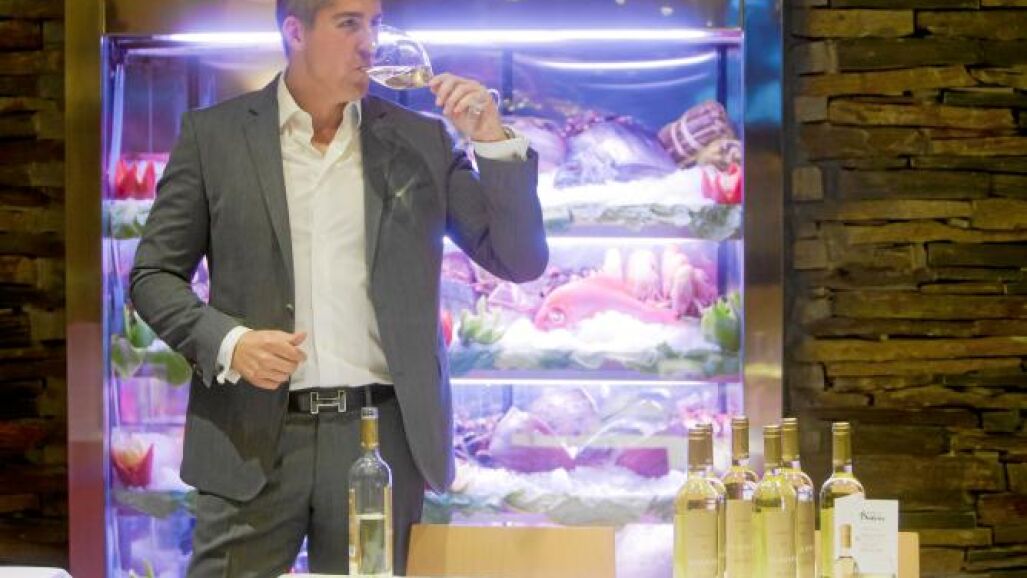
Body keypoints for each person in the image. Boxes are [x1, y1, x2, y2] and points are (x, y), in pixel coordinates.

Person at [129, 0, 547, 575]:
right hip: (251, 434)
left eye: (374, 24)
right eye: (348, 23)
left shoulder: (421, 140)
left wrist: (492, 141)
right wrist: (230, 343)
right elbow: (153, 276)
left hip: (381, 437)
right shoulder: (214, 137)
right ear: (295, 31)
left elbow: (520, 260)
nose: (368, 41)